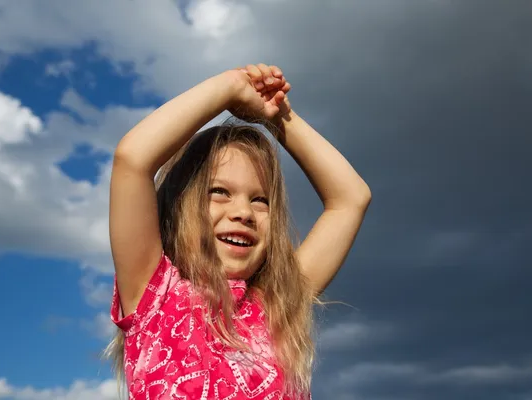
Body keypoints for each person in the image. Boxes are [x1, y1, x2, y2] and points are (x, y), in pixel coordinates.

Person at [105, 63, 371, 399]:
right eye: (219, 192)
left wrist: (275, 115)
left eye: (261, 200)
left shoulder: (276, 308)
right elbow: (132, 159)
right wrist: (231, 87)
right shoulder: (155, 295)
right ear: (180, 204)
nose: (243, 212)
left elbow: (351, 198)